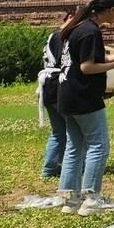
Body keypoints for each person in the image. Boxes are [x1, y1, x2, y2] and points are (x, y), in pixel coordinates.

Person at [55, 0, 114, 215]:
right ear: (111, 10)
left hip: (66, 96)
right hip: (84, 97)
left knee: (75, 146)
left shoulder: (77, 27)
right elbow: (87, 67)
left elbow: (92, 58)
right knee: (98, 145)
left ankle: (70, 199)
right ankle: (92, 199)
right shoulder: (91, 31)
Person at [37, 24, 67, 196]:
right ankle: (71, 166)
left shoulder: (52, 36)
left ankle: (50, 169)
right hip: (58, 85)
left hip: (49, 85)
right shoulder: (62, 37)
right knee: (71, 131)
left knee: (58, 132)